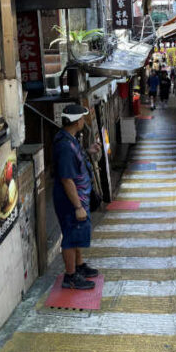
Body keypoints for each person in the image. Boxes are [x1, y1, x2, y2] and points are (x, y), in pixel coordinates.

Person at [52, 104, 102, 289]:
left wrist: (88, 152)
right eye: (82, 119)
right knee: (71, 237)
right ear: (77, 121)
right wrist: (78, 206)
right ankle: (70, 276)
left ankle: (79, 266)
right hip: (70, 201)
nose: (83, 122)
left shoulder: (69, 139)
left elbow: (76, 160)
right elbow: (66, 179)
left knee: (77, 233)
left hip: (77, 198)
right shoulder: (65, 146)